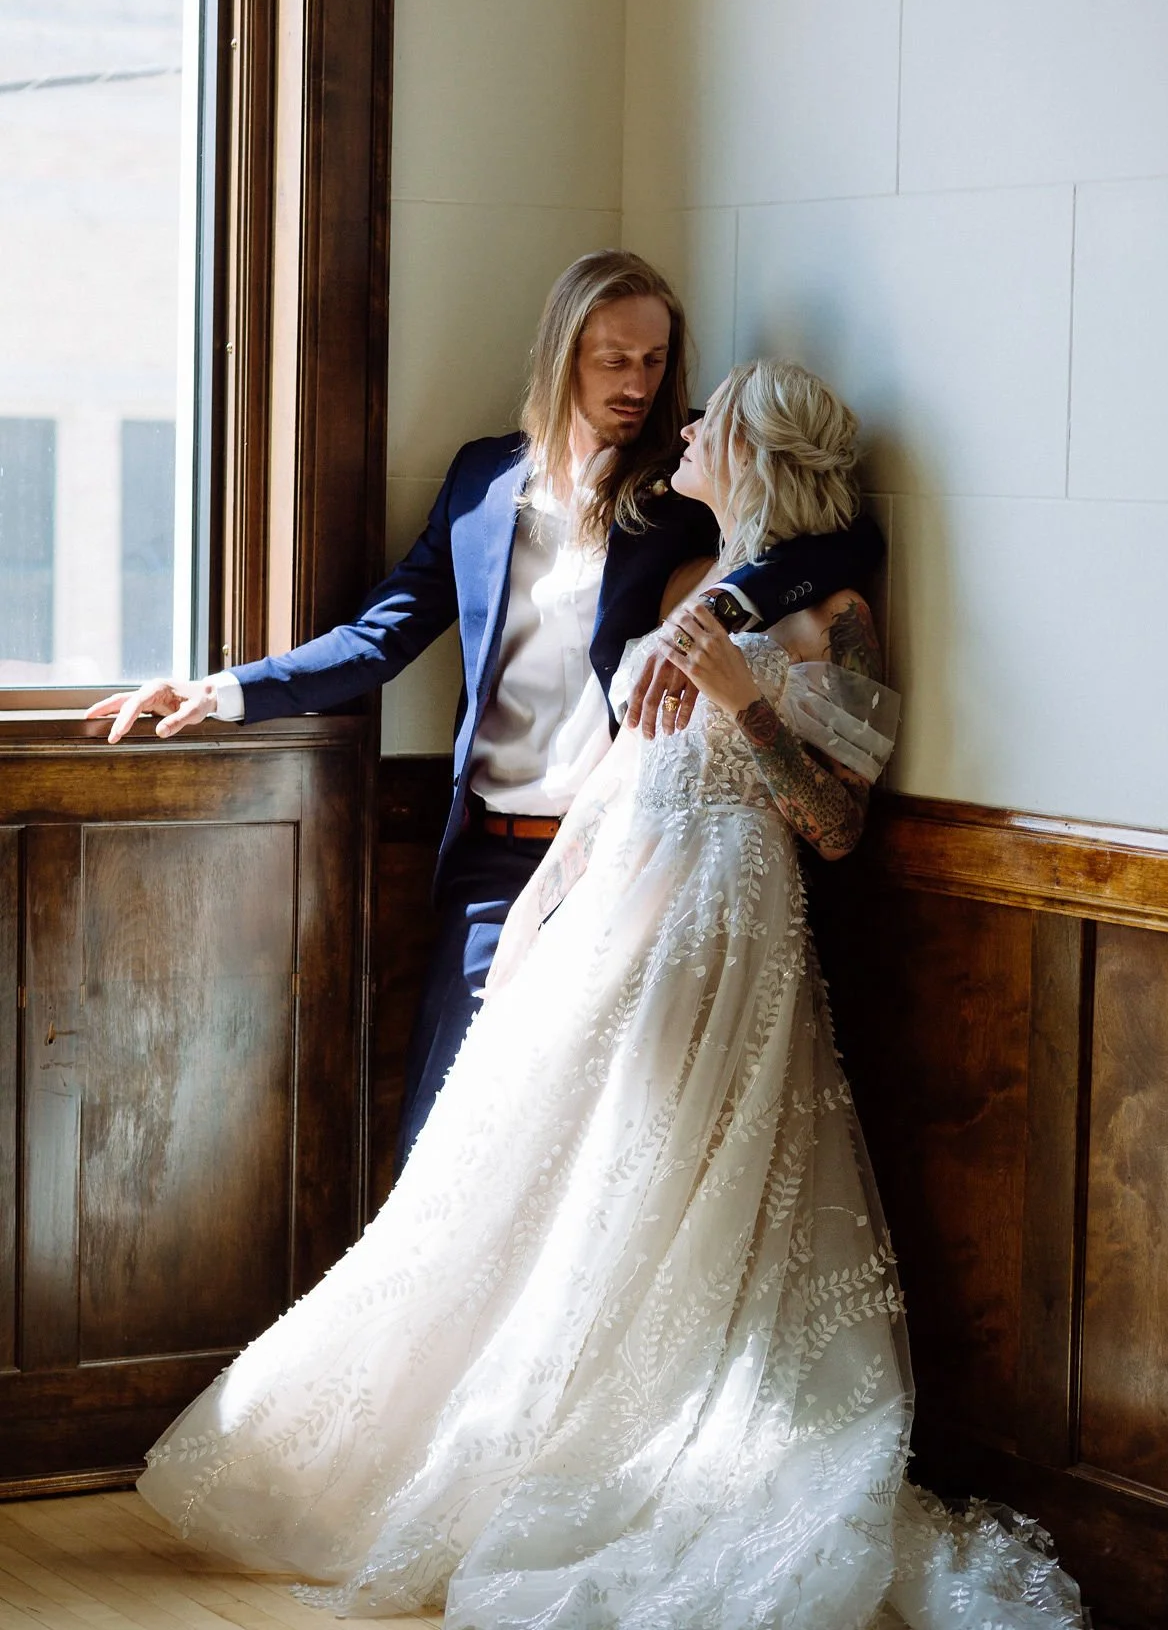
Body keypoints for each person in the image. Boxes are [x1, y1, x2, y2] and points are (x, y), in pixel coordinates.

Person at [136, 359, 1084, 1629]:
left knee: (670, 1194)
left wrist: (745, 698)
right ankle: (488, 1437)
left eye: (708, 419)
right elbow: (611, 786)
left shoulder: (831, 611)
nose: (680, 422)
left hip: (725, 927)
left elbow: (837, 821)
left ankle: (663, 1451)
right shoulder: (689, 575)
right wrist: (534, 919)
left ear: (751, 452)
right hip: (608, 919)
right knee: (527, 1189)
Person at [87, 250, 884, 1160]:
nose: (638, 383)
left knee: (594, 1149)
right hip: (493, 862)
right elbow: (380, 633)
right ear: (561, 356)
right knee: (448, 1132)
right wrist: (224, 690)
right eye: (612, 358)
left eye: (656, 360)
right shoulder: (481, 482)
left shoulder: (686, 488)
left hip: (629, 864)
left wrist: (725, 608)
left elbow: (835, 535)